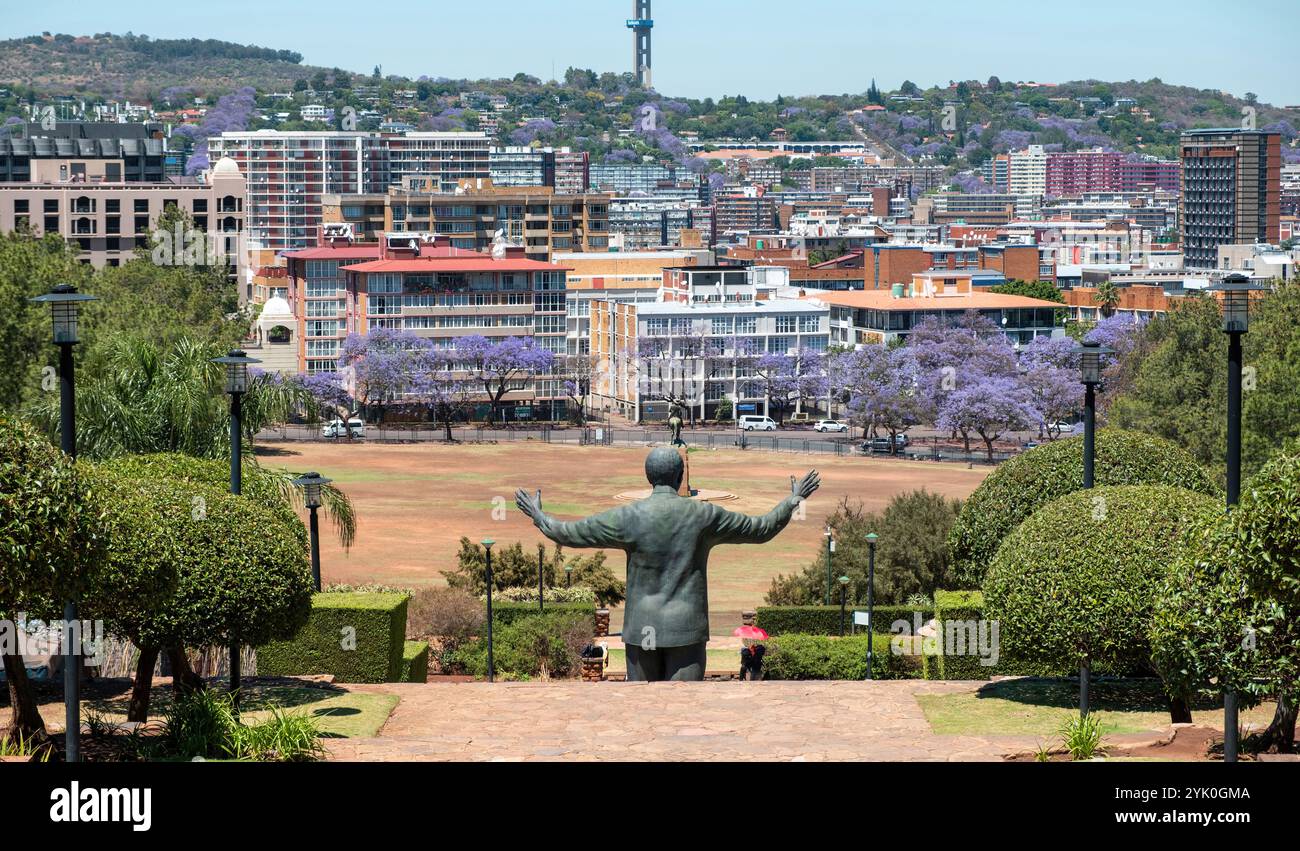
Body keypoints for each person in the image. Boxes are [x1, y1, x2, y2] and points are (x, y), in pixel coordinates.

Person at [516, 447, 819, 681]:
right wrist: (793, 500)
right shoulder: (704, 516)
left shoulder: (628, 517)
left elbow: (570, 534)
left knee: (643, 712)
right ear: (679, 479)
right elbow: (761, 529)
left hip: (641, 630)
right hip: (685, 631)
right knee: (683, 712)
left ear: (649, 478)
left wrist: (539, 516)